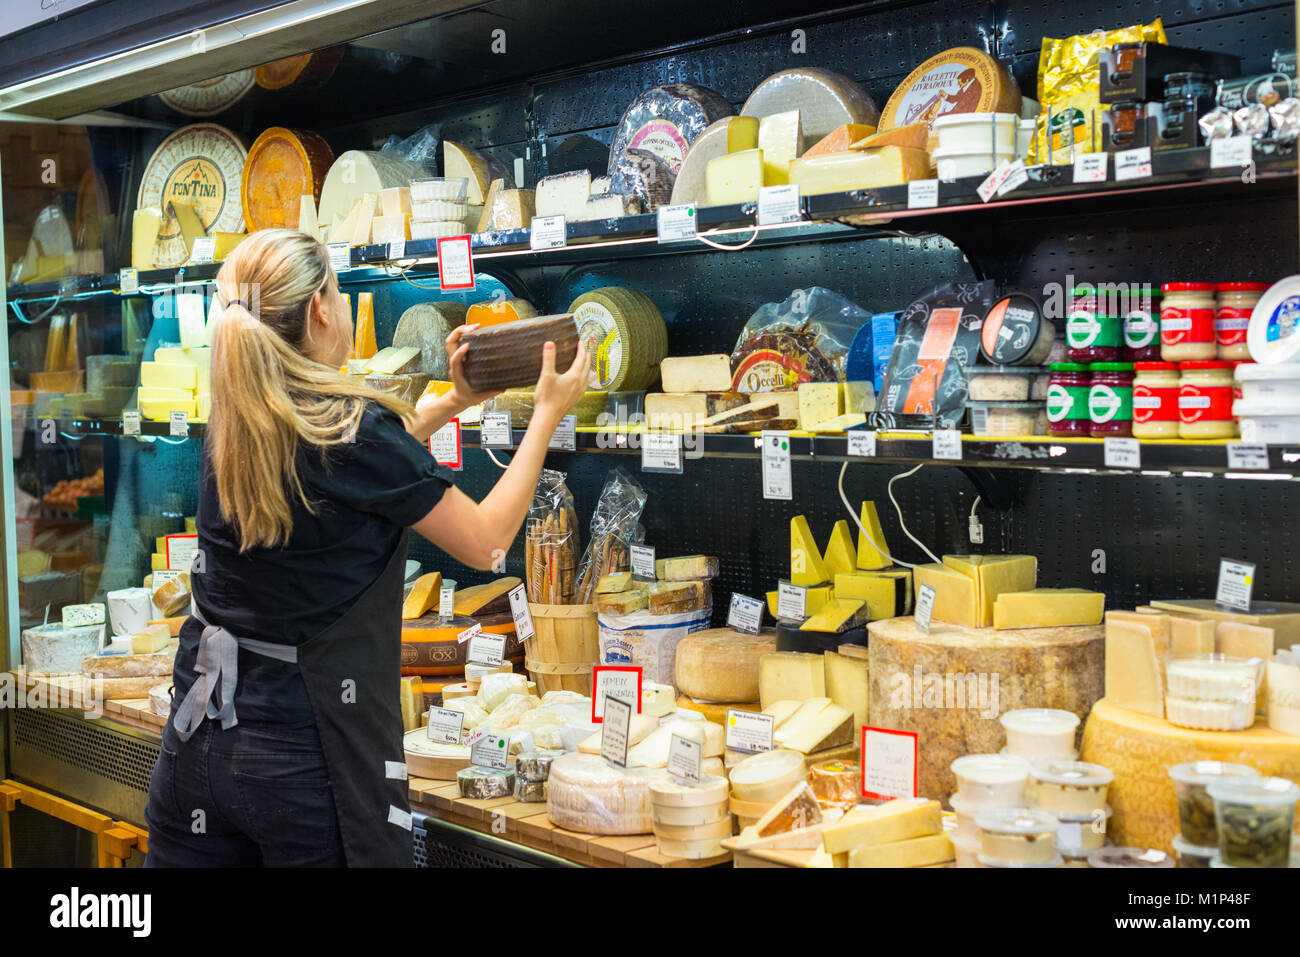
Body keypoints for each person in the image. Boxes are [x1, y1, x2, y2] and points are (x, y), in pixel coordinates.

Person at [144, 229, 590, 867]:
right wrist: (547, 411)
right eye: (339, 289)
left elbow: (352, 464)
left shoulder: (243, 413)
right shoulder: (351, 426)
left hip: (199, 745)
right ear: (322, 310)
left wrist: (456, 402)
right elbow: (489, 543)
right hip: (305, 760)